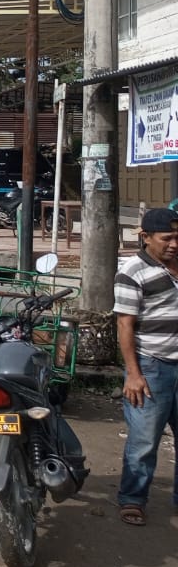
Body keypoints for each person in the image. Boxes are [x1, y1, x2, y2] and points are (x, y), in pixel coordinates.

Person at [113, 206, 178, 527]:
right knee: (144, 440)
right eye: (167, 238)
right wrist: (134, 374)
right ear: (145, 237)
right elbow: (125, 324)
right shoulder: (132, 271)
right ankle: (133, 499)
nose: (174, 244)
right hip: (152, 368)